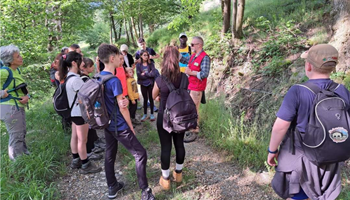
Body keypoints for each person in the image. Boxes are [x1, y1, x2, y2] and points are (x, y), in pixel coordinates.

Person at [267, 44, 347, 200]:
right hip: (331, 160)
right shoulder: (342, 90)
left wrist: (272, 150)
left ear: (309, 65)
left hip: (301, 161)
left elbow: (280, 126)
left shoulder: (298, 91)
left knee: (298, 196)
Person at [97, 44, 155, 200]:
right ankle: (145, 190)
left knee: (110, 153)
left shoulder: (98, 77)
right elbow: (123, 108)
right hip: (119, 125)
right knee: (140, 154)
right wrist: (131, 127)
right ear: (112, 58)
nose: (120, 60)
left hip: (106, 124)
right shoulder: (114, 80)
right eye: (117, 56)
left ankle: (112, 186)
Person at [58, 51, 102, 174]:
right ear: (74, 62)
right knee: (83, 139)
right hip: (80, 113)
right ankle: (85, 164)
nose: (82, 63)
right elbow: (84, 98)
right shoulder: (76, 80)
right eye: (81, 60)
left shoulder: (68, 77)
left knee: (75, 136)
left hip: (73, 113)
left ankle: (75, 159)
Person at [152, 46, 188, 190]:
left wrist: (161, 97)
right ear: (178, 59)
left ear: (164, 60)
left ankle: (165, 180)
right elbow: (186, 93)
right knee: (180, 145)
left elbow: (153, 96)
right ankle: (178, 174)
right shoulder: (184, 77)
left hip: (164, 118)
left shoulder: (160, 80)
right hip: (181, 117)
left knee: (165, 147)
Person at [0, 44, 30, 160]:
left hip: (17, 106)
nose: (21, 58)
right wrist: (2, 93)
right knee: (16, 135)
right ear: (10, 60)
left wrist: (27, 96)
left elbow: (22, 88)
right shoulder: (4, 72)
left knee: (21, 132)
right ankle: (17, 162)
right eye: (18, 56)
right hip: (9, 107)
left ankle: (24, 156)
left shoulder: (16, 70)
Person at [180, 36, 210, 143]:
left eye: (192, 44)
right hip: (190, 86)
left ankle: (195, 129)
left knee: (194, 109)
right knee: (190, 108)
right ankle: (191, 127)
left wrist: (191, 72)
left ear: (199, 45)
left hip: (197, 88)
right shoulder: (193, 56)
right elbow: (184, 59)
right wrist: (176, 54)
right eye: (191, 44)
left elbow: (204, 73)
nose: (190, 46)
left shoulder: (205, 57)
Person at [80, 58, 104, 160]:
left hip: (85, 109)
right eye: (91, 66)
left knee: (89, 131)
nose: (93, 67)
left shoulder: (84, 78)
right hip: (86, 109)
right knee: (87, 133)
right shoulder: (84, 80)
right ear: (86, 67)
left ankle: (92, 147)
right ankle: (89, 150)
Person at [136, 50, 157, 122]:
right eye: (144, 55)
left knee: (151, 99)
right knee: (145, 99)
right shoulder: (138, 65)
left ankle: (152, 114)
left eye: (147, 55)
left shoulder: (151, 64)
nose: (146, 56)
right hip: (143, 84)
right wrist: (148, 74)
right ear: (141, 56)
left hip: (150, 84)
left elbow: (153, 74)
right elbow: (139, 75)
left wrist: (144, 74)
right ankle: (145, 114)